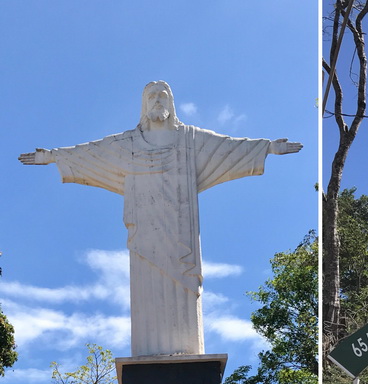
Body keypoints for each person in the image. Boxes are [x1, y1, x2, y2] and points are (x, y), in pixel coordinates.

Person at [18, 81, 302, 358]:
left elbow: (228, 148)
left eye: (163, 95)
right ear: (143, 105)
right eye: (152, 96)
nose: (157, 100)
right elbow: (91, 153)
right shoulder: (126, 143)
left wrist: (267, 148)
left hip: (181, 231)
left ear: (171, 103)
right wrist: (54, 157)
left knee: (184, 295)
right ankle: (149, 351)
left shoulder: (191, 139)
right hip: (145, 233)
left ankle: (187, 348)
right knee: (147, 289)